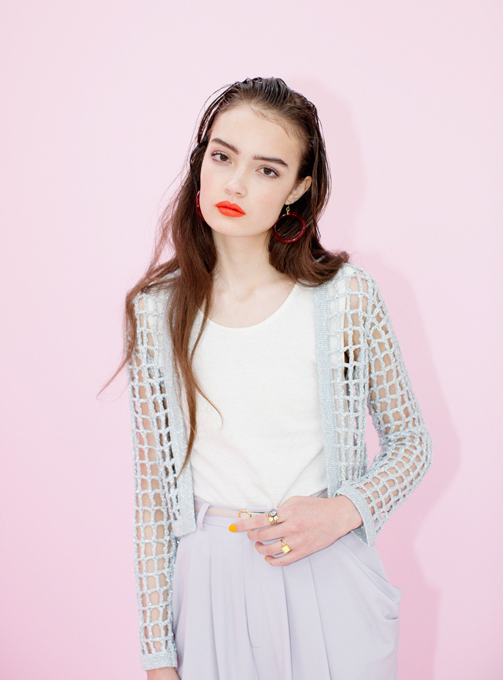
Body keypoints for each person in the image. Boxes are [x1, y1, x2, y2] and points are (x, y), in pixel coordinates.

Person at [121, 77, 432, 680]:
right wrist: (157, 655)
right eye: (222, 157)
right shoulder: (155, 310)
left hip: (328, 573)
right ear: (201, 161)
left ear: (298, 189)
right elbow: (153, 497)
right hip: (209, 587)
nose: (235, 184)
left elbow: (411, 442)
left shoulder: (346, 298)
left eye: (267, 170)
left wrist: (345, 510)